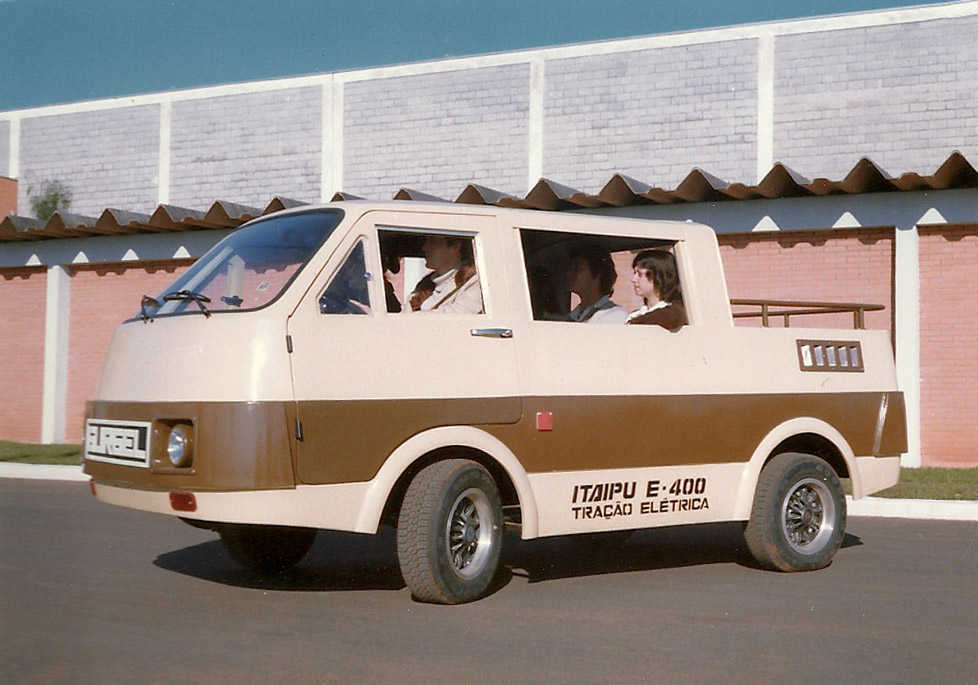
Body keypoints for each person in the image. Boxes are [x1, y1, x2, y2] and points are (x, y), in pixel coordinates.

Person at [410, 236, 483, 314]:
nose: (424, 248)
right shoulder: (424, 286)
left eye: (433, 242)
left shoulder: (476, 282)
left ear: (455, 247)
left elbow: (459, 316)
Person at [566, 244, 628, 324]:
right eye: (570, 267)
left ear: (597, 275)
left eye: (577, 268)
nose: (569, 273)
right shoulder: (573, 315)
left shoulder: (615, 316)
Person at [627, 250, 687, 330]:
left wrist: (633, 324)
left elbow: (672, 316)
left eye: (640, 274)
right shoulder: (636, 315)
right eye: (634, 273)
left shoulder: (676, 311)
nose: (633, 279)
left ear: (659, 276)